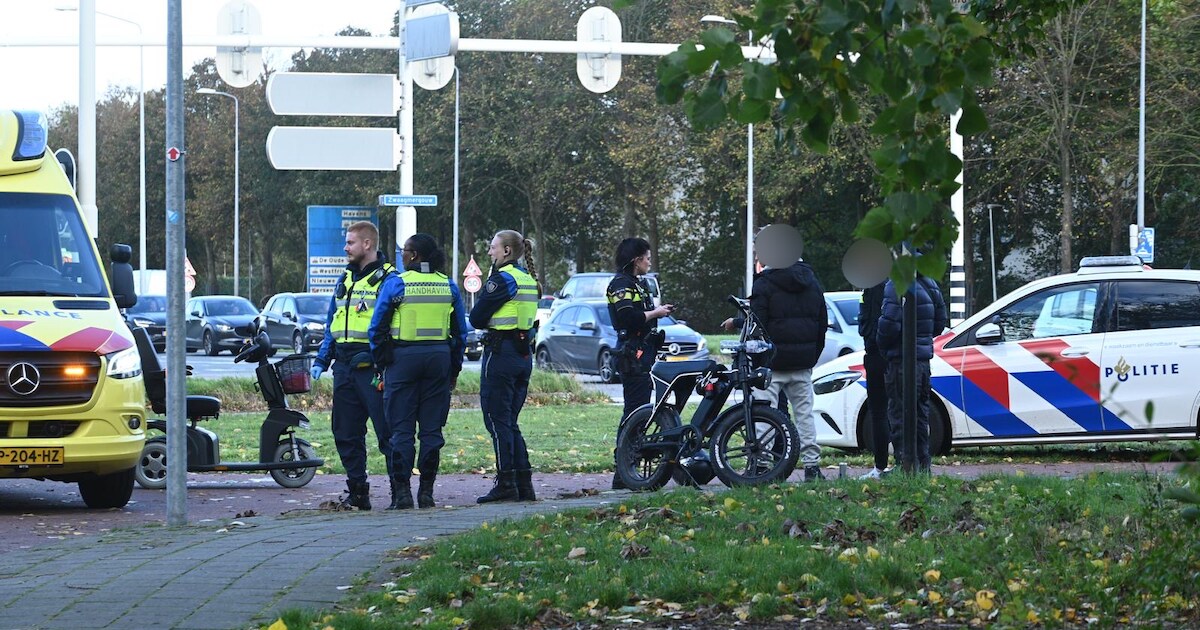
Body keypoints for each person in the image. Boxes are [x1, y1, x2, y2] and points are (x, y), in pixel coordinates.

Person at [369, 234, 468, 510]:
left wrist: (381, 362)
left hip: (402, 360)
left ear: (413, 256)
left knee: (401, 430)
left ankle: (402, 495)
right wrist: (454, 369)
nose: (401, 255)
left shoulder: (396, 283)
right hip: (438, 360)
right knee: (431, 430)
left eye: (404, 251)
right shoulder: (448, 285)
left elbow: (376, 329)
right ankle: (426, 493)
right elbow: (461, 333)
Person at [723, 244, 828, 482]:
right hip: (802, 363)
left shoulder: (764, 283)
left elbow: (757, 323)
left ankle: (761, 464)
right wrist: (812, 356)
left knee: (764, 414)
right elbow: (822, 322)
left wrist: (757, 356)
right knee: (805, 415)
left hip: (771, 363)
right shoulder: (811, 282)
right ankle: (812, 466)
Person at [310, 221, 396, 511]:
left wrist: (380, 359)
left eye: (350, 243)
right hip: (344, 367)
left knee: (387, 432)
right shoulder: (345, 278)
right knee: (345, 432)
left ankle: (401, 492)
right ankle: (358, 492)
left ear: (367, 245)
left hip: (372, 367)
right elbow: (333, 323)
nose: (345, 248)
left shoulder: (389, 278)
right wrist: (323, 358)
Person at [468, 230, 540, 503]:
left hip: (501, 354)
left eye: (493, 247)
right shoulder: (527, 279)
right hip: (523, 356)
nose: (489, 252)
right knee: (510, 422)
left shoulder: (503, 280)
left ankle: (506, 483)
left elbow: (476, 317)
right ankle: (524, 484)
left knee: (497, 421)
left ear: (507, 251)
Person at [606, 238, 674, 490]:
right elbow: (628, 317)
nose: (649, 261)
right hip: (632, 353)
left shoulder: (638, 283)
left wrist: (657, 312)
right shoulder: (620, 285)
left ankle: (626, 470)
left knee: (642, 410)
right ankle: (623, 470)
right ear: (636, 260)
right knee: (634, 412)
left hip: (644, 351)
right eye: (647, 257)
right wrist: (656, 313)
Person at [876, 272, 947, 474]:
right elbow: (940, 322)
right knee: (921, 414)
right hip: (923, 361)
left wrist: (883, 346)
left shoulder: (896, 283)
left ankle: (903, 466)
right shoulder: (930, 282)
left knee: (899, 415)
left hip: (901, 361)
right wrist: (922, 340)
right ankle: (923, 465)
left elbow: (889, 323)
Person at [857, 281, 891, 479]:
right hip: (892, 354)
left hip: (879, 354)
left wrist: (871, 339)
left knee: (879, 411)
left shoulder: (876, 285)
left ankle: (881, 466)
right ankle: (904, 464)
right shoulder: (904, 279)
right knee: (894, 411)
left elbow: (872, 320)